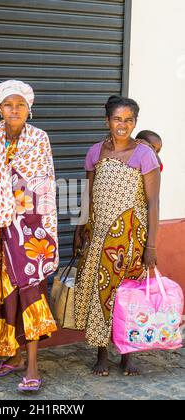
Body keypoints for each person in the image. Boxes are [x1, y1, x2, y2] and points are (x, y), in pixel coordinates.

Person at [0, 80, 58, 392]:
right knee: (5, 293)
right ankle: (12, 355)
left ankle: (33, 365)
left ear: (29, 108)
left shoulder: (39, 139)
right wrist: (0, 208)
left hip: (29, 229)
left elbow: (44, 183)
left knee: (30, 291)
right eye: (9, 104)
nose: (14, 110)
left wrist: (40, 226)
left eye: (20, 104)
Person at [74, 95, 161, 376]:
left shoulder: (145, 155)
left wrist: (152, 245)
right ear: (107, 121)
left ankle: (128, 354)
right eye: (117, 119)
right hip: (99, 237)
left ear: (135, 122)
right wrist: (79, 229)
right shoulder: (96, 152)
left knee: (128, 297)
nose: (122, 125)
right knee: (100, 295)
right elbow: (87, 195)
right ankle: (102, 353)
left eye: (128, 120)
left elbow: (153, 202)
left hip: (131, 239)